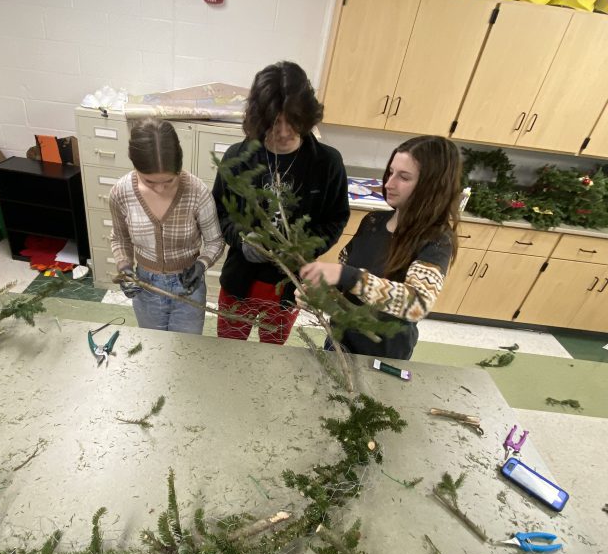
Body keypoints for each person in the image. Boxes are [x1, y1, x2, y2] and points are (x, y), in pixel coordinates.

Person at [212, 61, 349, 344]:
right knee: (227, 347)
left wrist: (302, 248)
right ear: (259, 119)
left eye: (294, 121)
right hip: (240, 282)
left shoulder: (327, 164)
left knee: (272, 353)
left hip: (289, 286)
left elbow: (336, 219)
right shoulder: (238, 158)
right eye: (275, 122)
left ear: (307, 115)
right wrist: (242, 240)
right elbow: (221, 212)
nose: (285, 132)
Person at [300, 135, 460, 360]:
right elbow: (345, 283)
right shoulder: (372, 222)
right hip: (339, 341)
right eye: (390, 172)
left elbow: (417, 303)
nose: (388, 184)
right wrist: (318, 292)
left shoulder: (437, 240)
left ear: (431, 186)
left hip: (383, 355)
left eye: (403, 177)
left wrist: (350, 276)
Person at [109, 118, 224, 333]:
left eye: (169, 181)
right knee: (153, 347)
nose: (160, 189)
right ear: (135, 166)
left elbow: (215, 241)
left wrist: (201, 265)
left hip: (188, 287)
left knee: (188, 348)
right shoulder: (120, 192)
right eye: (149, 182)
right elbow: (120, 238)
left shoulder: (197, 191)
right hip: (146, 286)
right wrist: (124, 268)